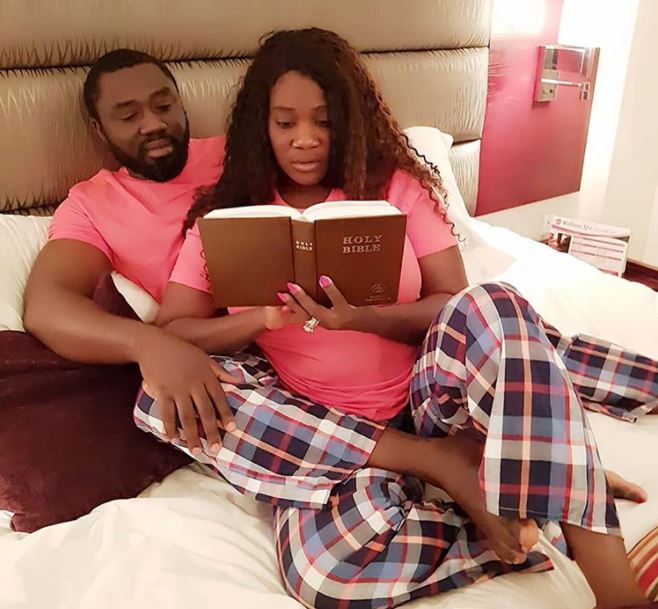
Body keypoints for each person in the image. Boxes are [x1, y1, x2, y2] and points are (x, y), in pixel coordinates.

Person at [133, 28, 658, 609]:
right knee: (321, 567)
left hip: (427, 400)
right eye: (285, 123)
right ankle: (524, 500)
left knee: (496, 306)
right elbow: (174, 333)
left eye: (324, 122)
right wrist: (261, 319)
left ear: (349, 120)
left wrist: (364, 318)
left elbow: (454, 302)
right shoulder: (228, 217)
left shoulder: (396, 188)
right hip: (327, 438)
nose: (305, 140)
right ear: (262, 126)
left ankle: (615, 588)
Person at [23, 49, 240, 453]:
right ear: (99, 129)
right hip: (219, 357)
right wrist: (147, 344)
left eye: (164, 106)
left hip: (309, 331)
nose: (153, 124)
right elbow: (47, 305)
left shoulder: (240, 154)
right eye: (128, 116)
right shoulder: (92, 204)